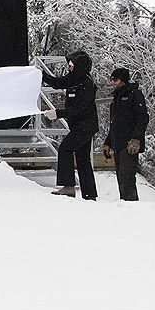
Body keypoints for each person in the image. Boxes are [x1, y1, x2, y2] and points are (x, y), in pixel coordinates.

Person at [41, 50, 99, 200]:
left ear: (80, 66)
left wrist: (58, 114)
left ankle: (68, 187)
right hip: (78, 125)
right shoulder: (74, 78)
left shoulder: (86, 83)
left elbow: (80, 108)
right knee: (82, 158)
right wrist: (42, 75)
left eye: (72, 65)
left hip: (86, 125)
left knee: (65, 149)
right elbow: (58, 83)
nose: (69, 68)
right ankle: (89, 194)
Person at [102, 67, 150, 201]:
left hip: (129, 144)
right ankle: (126, 205)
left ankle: (131, 207)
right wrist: (108, 143)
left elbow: (143, 117)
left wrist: (136, 138)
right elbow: (115, 124)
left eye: (115, 80)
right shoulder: (116, 98)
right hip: (117, 143)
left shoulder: (134, 94)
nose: (113, 83)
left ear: (123, 80)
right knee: (121, 179)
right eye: (111, 80)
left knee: (127, 178)